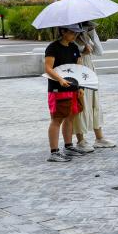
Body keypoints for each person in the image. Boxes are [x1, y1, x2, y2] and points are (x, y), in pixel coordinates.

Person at [44, 24, 89, 162]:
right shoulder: (53, 47)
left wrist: (80, 87)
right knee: (57, 119)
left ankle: (68, 146)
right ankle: (54, 152)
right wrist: (60, 79)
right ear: (63, 32)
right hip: (58, 89)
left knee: (70, 117)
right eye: (72, 32)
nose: (75, 35)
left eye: (76, 33)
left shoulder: (74, 47)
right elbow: (47, 68)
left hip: (73, 89)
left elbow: (78, 68)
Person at [72, 22, 115, 152]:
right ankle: (81, 140)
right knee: (81, 104)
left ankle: (99, 137)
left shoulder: (85, 35)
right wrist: (83, 53)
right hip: (78, 72)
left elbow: (99, 51)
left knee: (94, 103)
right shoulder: (70, 36)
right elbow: (68, 57)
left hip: (90, 71)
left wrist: (92, 32)